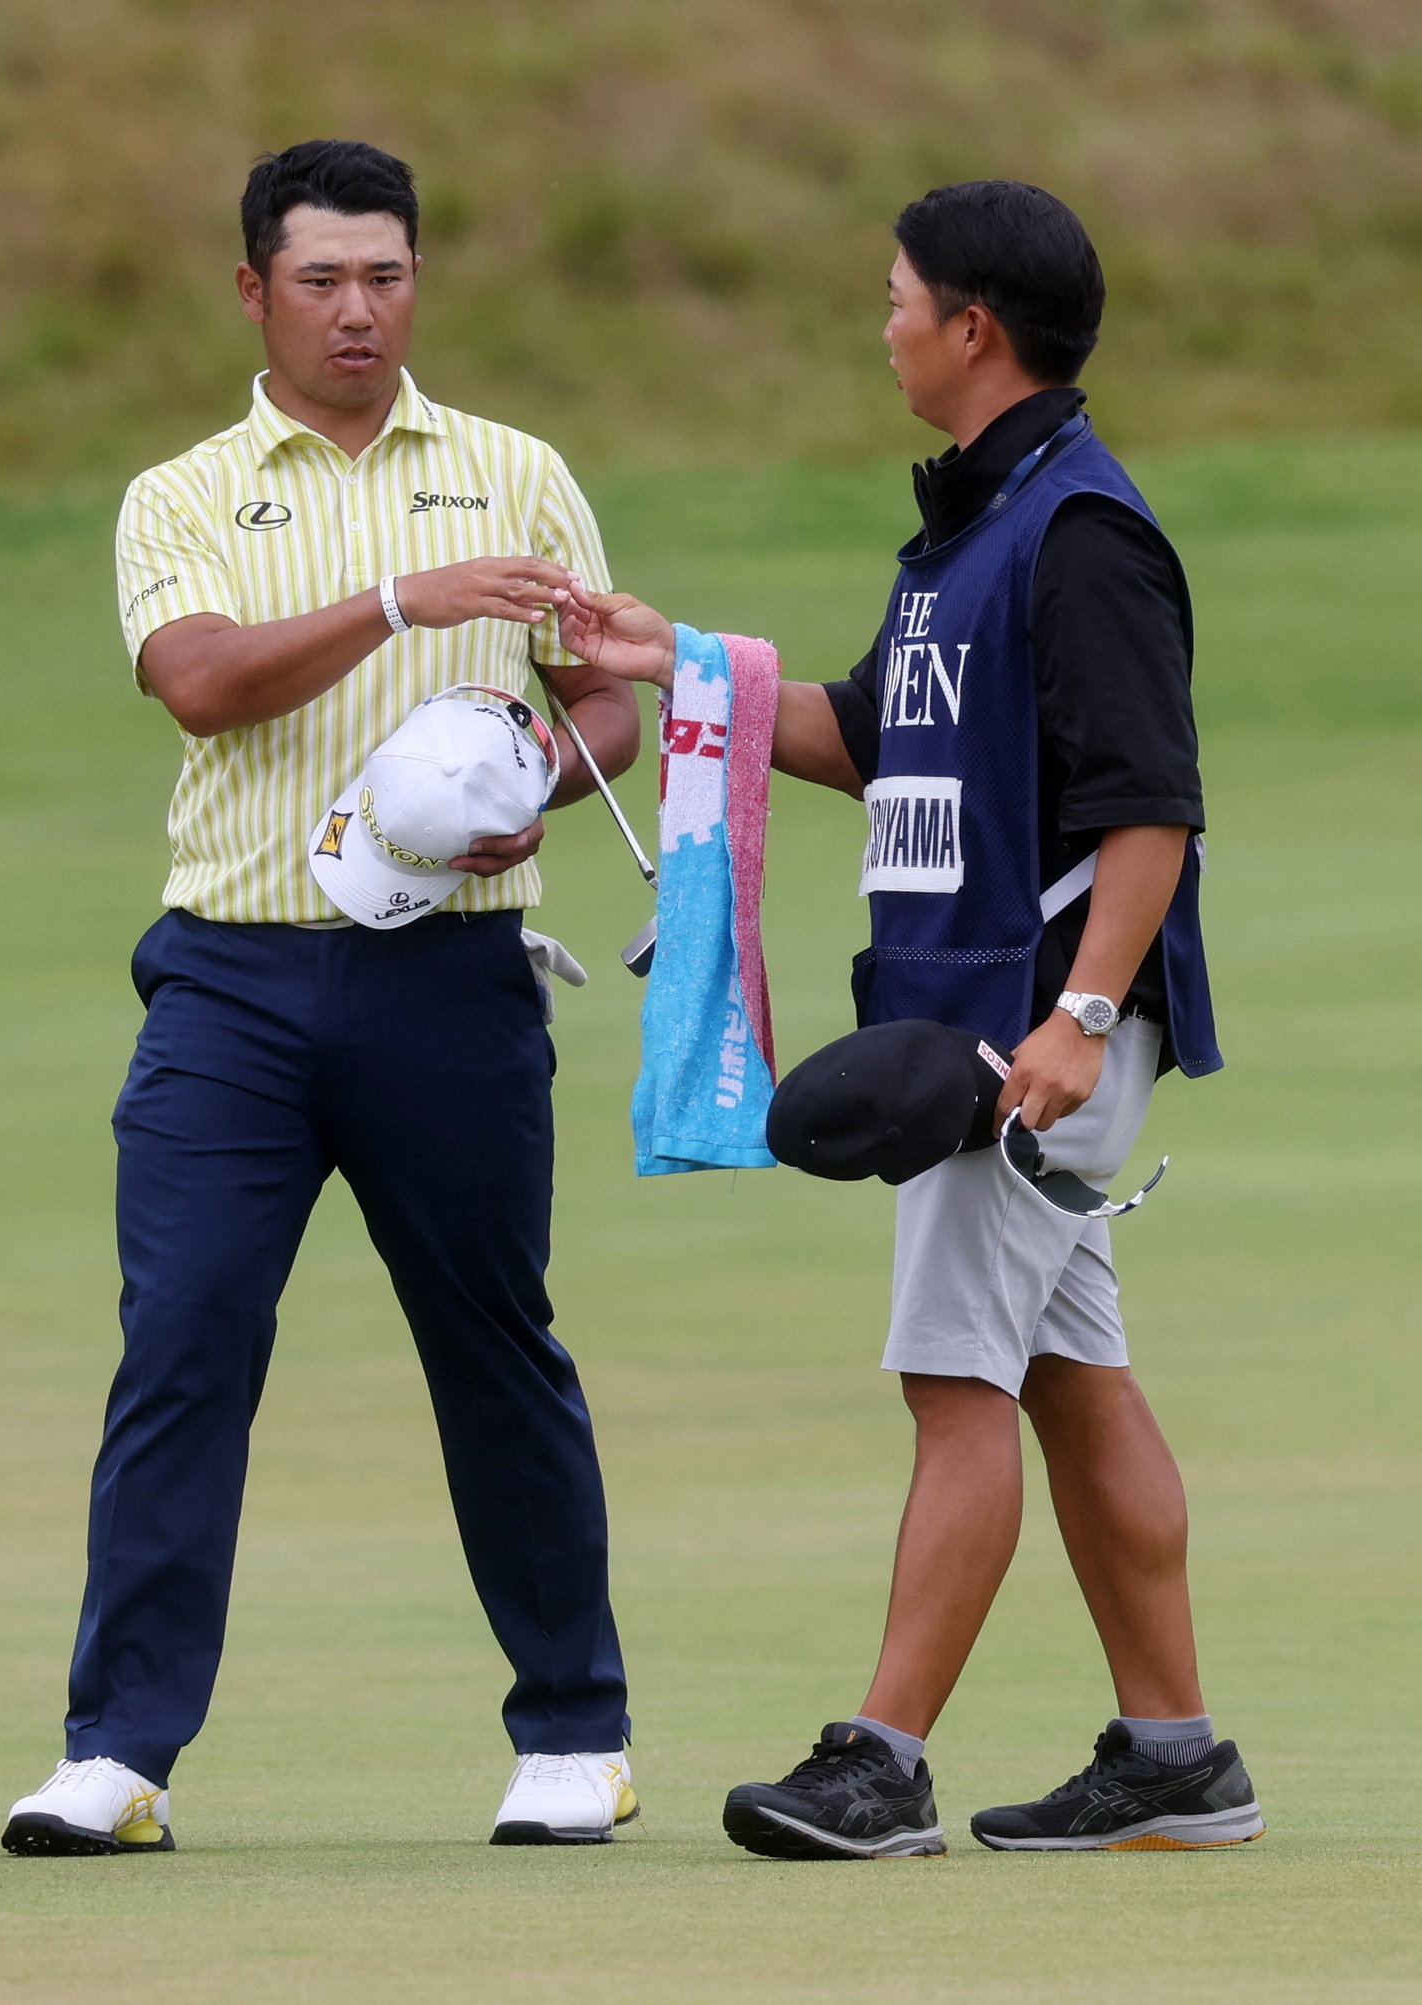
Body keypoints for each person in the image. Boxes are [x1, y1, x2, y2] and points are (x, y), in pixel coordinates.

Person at [558, 180, 1265, 1858]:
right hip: (986, 1018)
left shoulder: (1082, 533)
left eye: (894, 297)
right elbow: (870, 733)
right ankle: (1175, 1752)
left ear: (974, 327)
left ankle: (882, 1761)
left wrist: (1086, 1012)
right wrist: (676, 664)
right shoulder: (968, 530)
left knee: (951, 1378)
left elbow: (1154, 804)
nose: (877, 322)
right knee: (1068, 1373)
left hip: (1025, 1035)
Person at [2, 140, 641, 1856]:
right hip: (234, 980)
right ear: (255, 292)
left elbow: (608, 710)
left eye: (388, 276)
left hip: (455, 974)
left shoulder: (517, 472)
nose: (359, 311)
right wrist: (396, 603)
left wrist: (532, 780)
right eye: (321, 281)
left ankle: (576, 1729)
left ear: (418, 279)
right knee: (187, 1339)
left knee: (492, 1343)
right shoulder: (187, 491)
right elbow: (201, 685)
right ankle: (118, 1750)